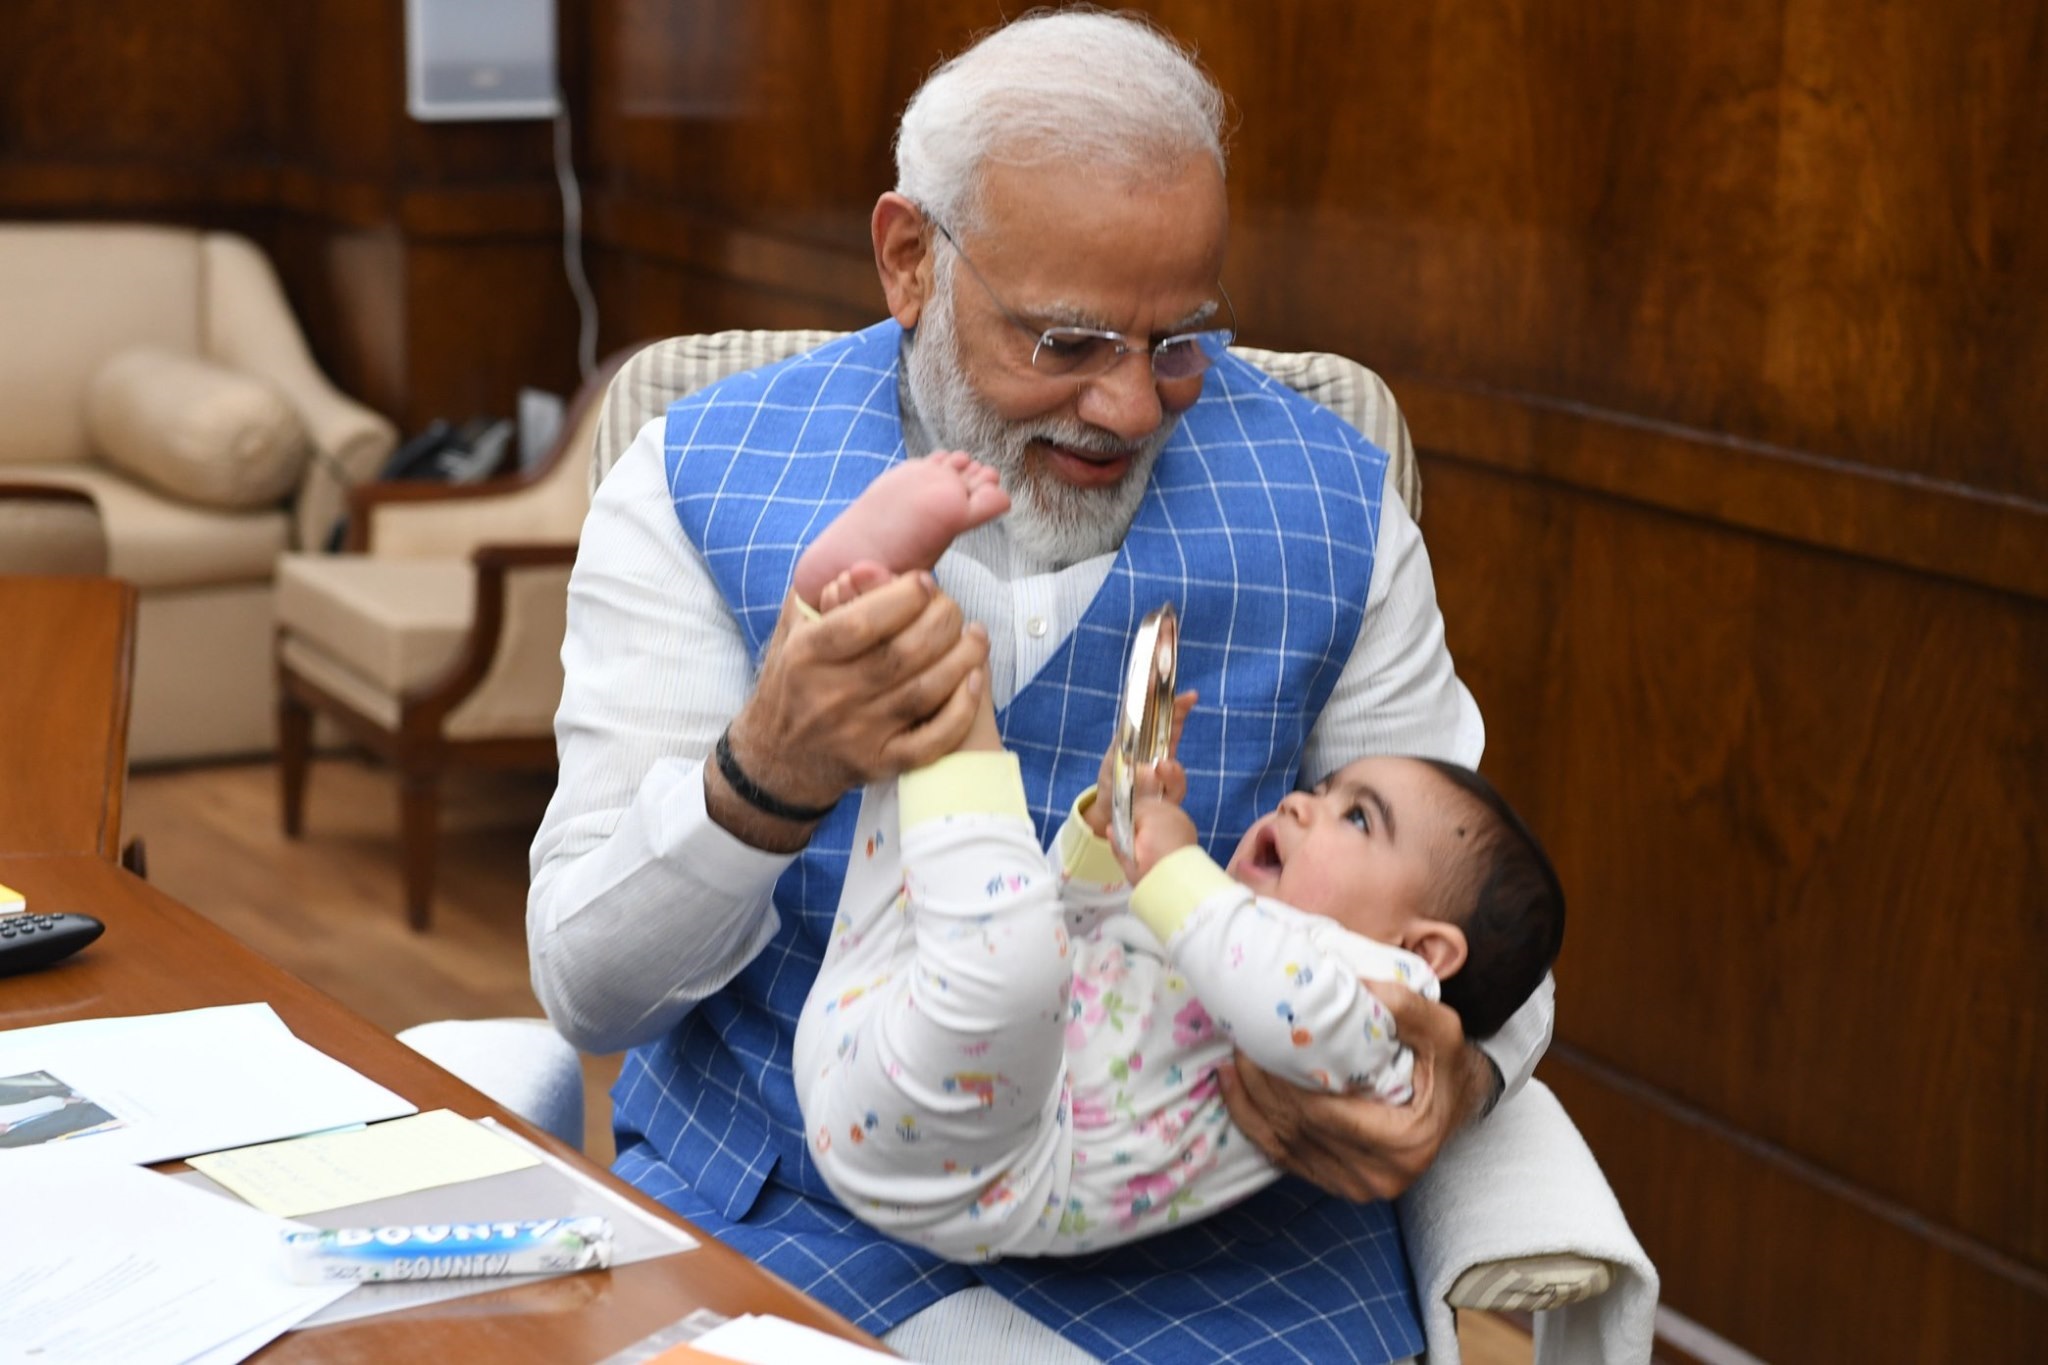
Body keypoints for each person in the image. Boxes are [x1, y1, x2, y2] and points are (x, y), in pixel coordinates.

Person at [529, 11, 1556, 1362]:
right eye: (1067, 342)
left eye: (1179, 340)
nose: (1129, 407)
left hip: (1218, 1249)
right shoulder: (687, 475)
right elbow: (591, 992)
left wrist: (1455, 1073)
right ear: (908, 260)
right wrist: (760, 777)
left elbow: (1468, 907)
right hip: (795, 1203)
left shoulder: (1336, 500)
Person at [791, 523, 1567, 1265]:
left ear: (1424, 949)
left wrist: (1173, 869)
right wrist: (1110, 836)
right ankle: (883, 672)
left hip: (984, 1154)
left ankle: (930, 681)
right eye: (1324, 789)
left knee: (1012, 945)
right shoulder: (1230, 933)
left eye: (1356, 817)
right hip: (864, 1041)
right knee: (974, 907)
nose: (1301, 803)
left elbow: (1282, 1001)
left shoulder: (1380, 1025)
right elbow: (1084, 933)